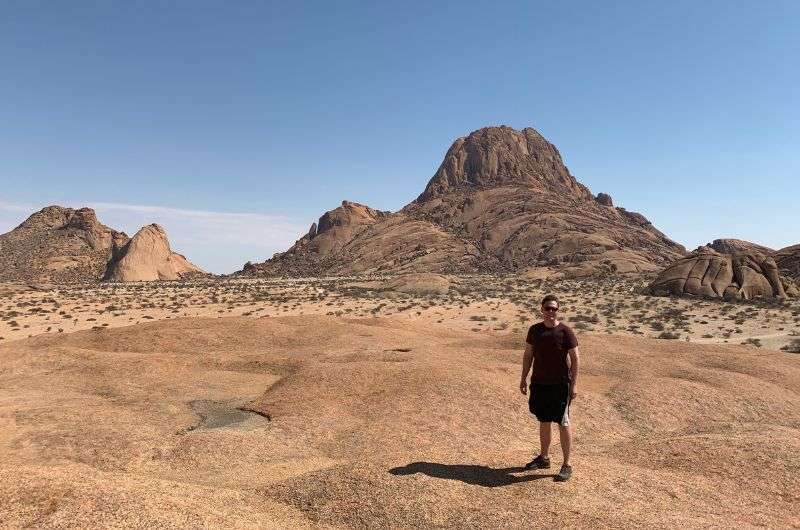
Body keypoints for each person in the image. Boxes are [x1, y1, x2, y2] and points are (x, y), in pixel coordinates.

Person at [519, 294, 580, 482]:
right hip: (539, 383)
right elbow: (528, 355)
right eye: (547, 308)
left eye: (554, 309)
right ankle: (544, 458)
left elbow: (576, 359)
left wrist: (574, 384)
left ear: (558, 310)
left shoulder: (565, 332)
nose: (551, 312)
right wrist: (523, 378)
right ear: (542, 309)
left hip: (560, 384)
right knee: (544, 420)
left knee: (563, 422)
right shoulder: (534, 330)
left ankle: (566, 464)